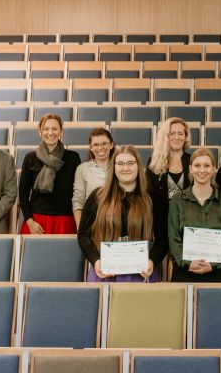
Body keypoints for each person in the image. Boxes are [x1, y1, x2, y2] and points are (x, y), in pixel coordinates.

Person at [77, 145, 157, 282]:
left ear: (139, 166)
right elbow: (83, 234)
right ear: (113, 168)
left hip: (141, 271)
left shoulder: (153, 198)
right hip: (104, 270)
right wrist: (95, 260)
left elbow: (162, 238)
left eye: (130, 163)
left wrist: (152, 260)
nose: (125, 168)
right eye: (120, 163)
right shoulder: (97, 196)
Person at [168, 148, 221, 282]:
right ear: (191, 169)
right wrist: (187, 262)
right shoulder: (177, 200)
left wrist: (213, 265)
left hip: (214, 272)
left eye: (207, 165)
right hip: (184, 272)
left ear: (213, 169)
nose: (202, 170)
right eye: (197, 165)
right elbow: (173, 238)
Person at [19, 114, 81, 235]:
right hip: (37, 221)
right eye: (46, 129)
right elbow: (23, 194)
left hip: (66, 220)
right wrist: (30, 222)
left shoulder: (73, 157)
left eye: (55, 129)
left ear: (61, 131)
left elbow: (77, 192)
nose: (50, 132)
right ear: (40, 131)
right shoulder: (30, 158)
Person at [147, 117, 191, 265]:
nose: (177, 137)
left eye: (181, 133)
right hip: (161, 223)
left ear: (186, 137)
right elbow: (150, 195)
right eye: (172, 133)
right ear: (165, 136)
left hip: (188, 223)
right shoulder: (153, 162)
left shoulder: (193, 161)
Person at [72, 128, 115, 226]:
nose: (100, 148)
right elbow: (78, 200)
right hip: (91, 223)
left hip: (116, 221)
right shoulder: (82, 168)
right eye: (96, 144)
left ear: (111, 145)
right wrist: (80, 227)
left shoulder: (119, 166)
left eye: (104, 143)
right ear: (91, 147)